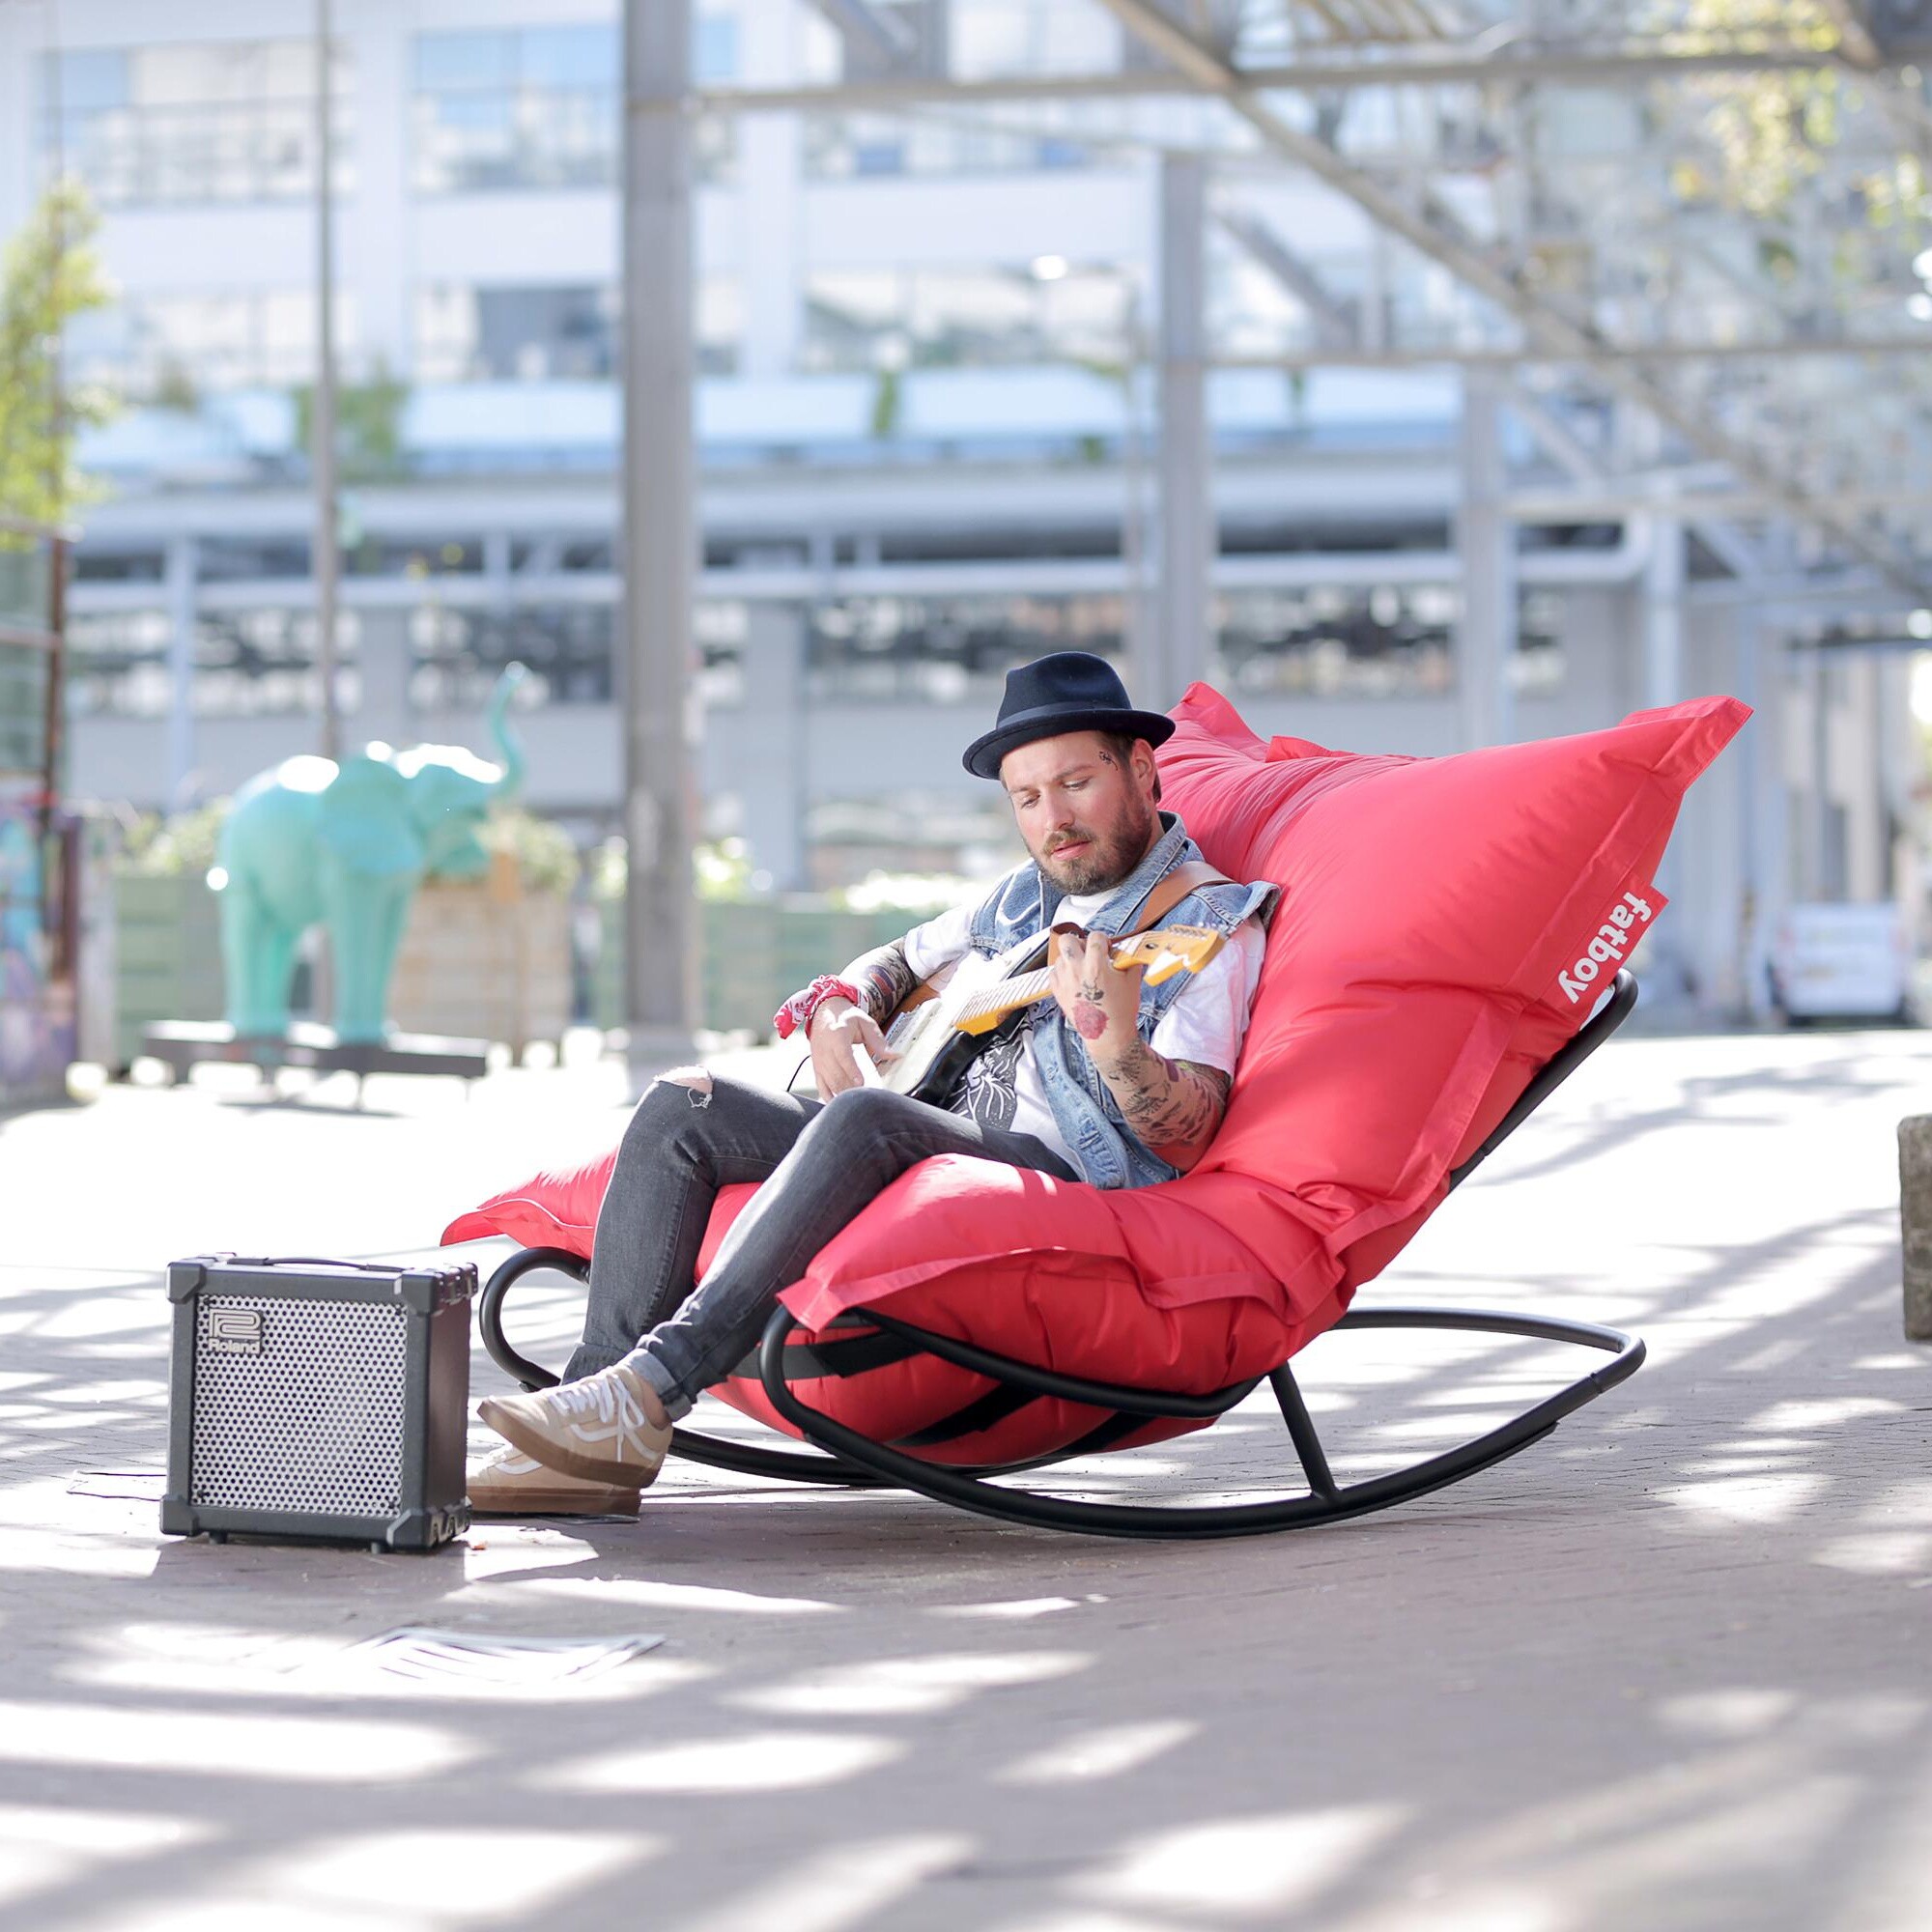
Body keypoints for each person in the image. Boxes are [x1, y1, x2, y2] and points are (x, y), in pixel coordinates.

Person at [471, 652, 1276, 1515]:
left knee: (866, 1119)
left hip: (1057, 1169)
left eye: (1076, 783)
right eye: (1028, 799)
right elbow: (899, 958)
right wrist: (841, 1006)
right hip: (919, 1125)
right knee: (683, 1103)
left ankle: (650, 1387)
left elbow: (1184, 1132)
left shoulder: (1206, 922)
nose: (1055, 820)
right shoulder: (1020, 898)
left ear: (1143, 771)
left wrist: (1116, 1044)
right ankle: (594, 1434)